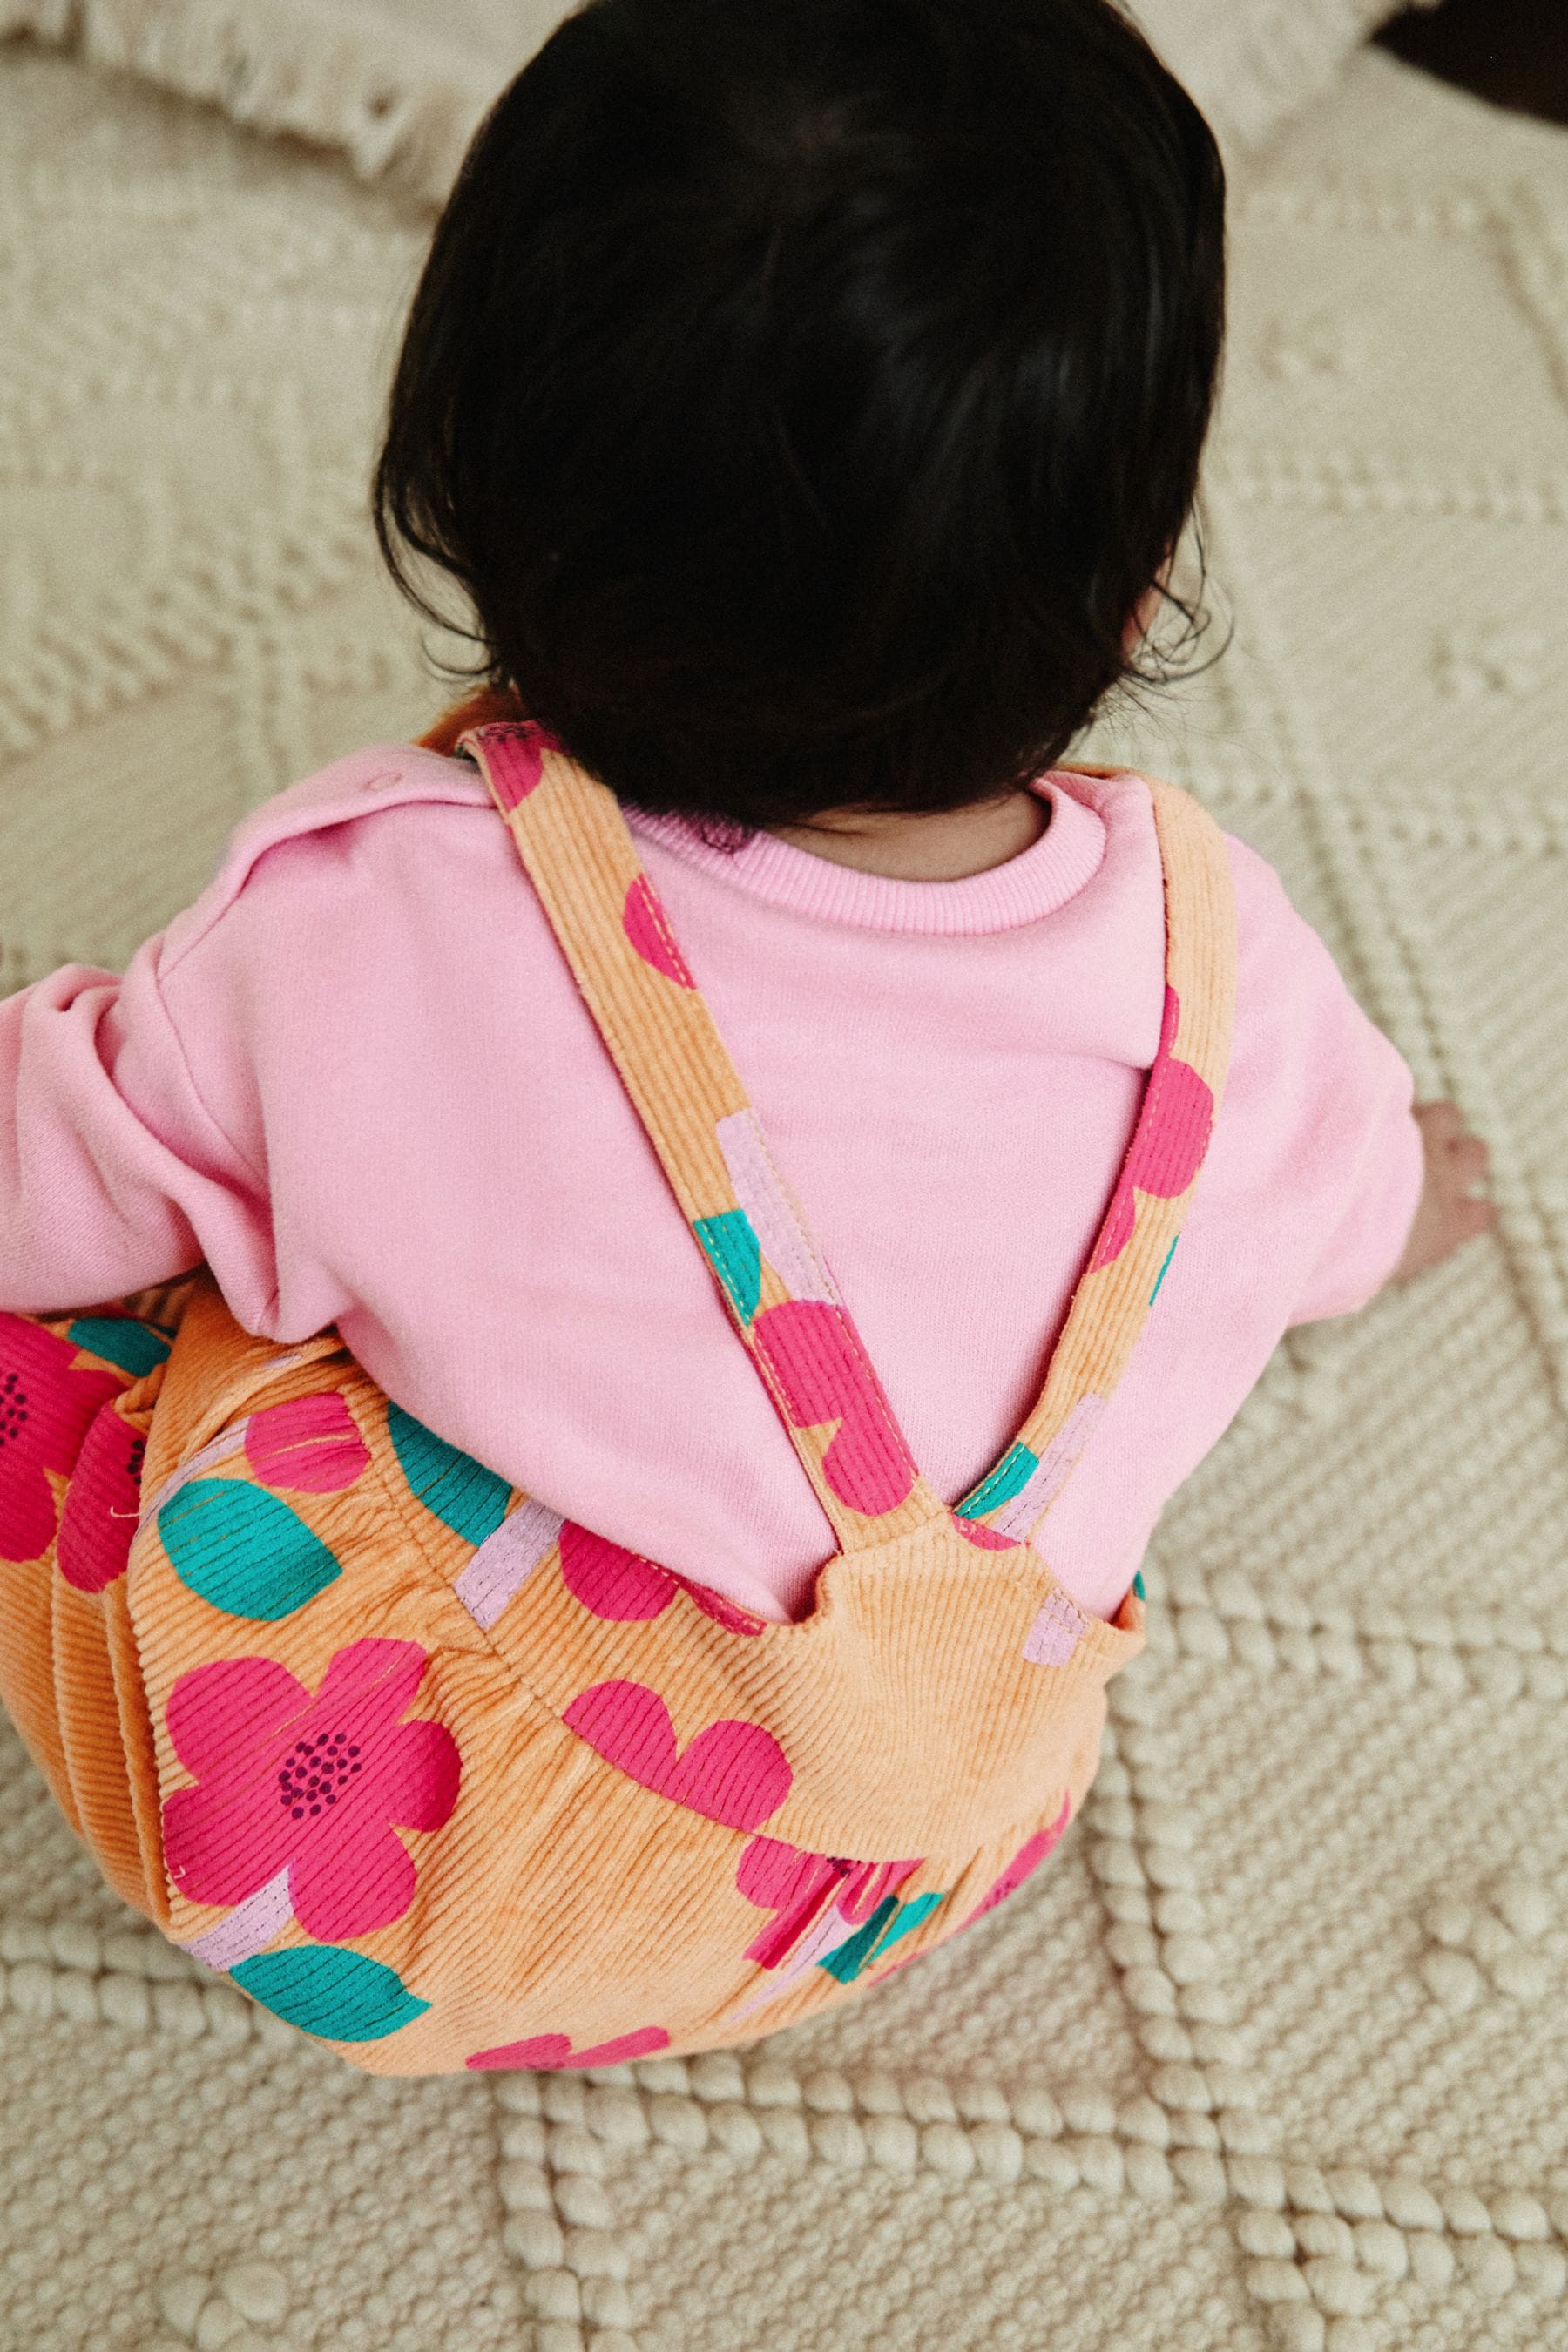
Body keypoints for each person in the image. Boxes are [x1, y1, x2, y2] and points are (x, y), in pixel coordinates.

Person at [0, 0, 1492, 2074]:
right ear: (1138, 588)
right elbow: (1352, 1209)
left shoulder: (372, 926)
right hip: (885, 1862)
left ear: (468, 484)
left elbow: (42, 1177)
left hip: (355, 1868)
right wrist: (1396, 1198)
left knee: (109, 1286)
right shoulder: (1230, 989)